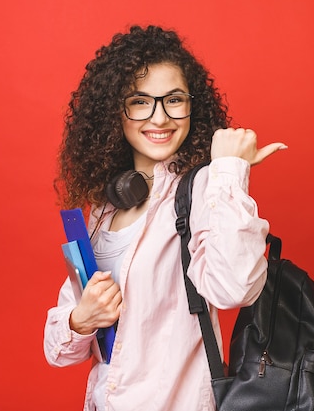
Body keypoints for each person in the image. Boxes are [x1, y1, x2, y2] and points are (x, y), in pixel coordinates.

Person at [43, 25, 286, 411]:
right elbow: (59, 351)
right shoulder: (104, 206)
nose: (159, 118)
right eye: (140, 101)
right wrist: (81, 318)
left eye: (173, 99)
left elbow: (234, 289)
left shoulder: (203, 189)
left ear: (193, 105)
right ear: (116, 112)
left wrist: (228, 170)